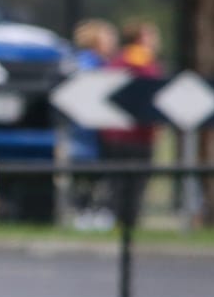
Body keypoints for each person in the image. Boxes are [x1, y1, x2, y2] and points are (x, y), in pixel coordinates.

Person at [99, 18, 164, 228]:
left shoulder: (116, 61)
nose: (155, 40)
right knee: (135, 185)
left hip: (113, 135)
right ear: (141, 38)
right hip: (139, 136)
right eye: (151, 35)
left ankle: (120, 223)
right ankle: (129, 225)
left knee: (117, 184)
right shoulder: (144, 62)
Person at [69, 18, 119, 230]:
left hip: (100, 134)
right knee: (86, 176)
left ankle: (96, 211)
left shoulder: (105, 65)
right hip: (86, 135)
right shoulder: (86, 64)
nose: (112, 41)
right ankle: (84, 212)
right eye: (107, 37)